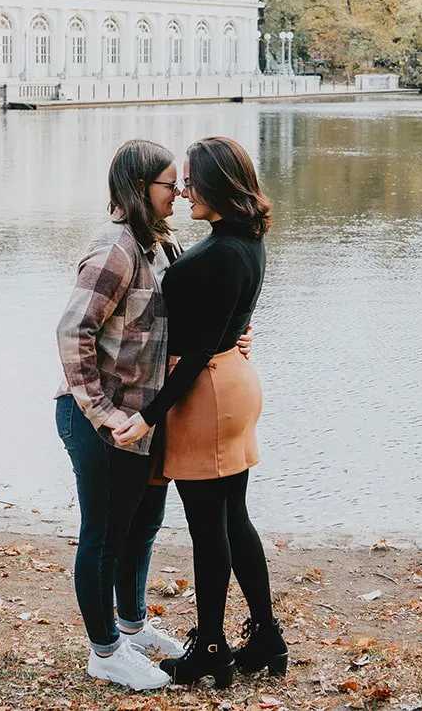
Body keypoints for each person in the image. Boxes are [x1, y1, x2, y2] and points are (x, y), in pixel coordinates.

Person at [114, 136, 285, 687]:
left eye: (191, 180)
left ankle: (212, 646)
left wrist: (150, 415)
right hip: (232, 381)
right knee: (233, 516)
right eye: (178, 181)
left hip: (205, 390)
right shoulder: (244, 239)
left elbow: (191, 357)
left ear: (214, 185)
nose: (184, 190)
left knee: (209, 525)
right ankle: (265, 635)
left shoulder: (215, 255)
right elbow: (226, 322)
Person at [54, 139, 190, 690]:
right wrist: (102, 412)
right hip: (100, 421)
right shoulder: (114, 250)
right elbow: (72, 330)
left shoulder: (160, 244)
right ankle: (105, 651)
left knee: (143, 527)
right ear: (140, 189)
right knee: (104, 536)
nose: (179, 192)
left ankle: (132, 630)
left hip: (144, 418)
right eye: (169, 184)